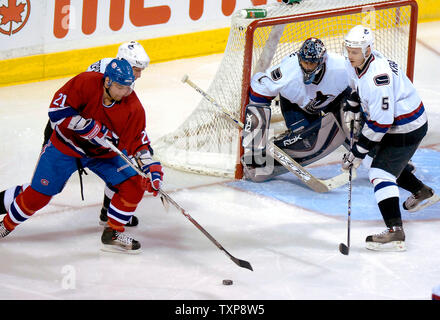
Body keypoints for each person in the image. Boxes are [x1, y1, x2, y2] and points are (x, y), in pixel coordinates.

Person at [0, 58, 163, 254]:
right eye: (120, 86)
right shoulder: (85, 82)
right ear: (108, 81)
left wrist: (150, 169)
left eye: (128, 87)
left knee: (134, 184)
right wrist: (88, 127)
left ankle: (112, 233)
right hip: (66, 146)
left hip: (102, 155)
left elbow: (139, 142)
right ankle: (6, 225)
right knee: (39, 195)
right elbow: (56, 111)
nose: (124, 92)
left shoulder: (133, 107)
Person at [342, 25, 438, 251]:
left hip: (406, 128)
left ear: (368, 50)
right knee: (377, 156)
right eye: (348, 50)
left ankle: (395, 232)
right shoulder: (364, 62)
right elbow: (359, 87)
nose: (350, 55)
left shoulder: (378, 78)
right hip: (400, 122)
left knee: (379, 171)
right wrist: (354, 101)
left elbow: (381, 123)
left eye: (355, 51)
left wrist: (356, 153)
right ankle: (421, 191)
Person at [241, 37, 354, 182]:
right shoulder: (288, 71)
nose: (307, 67)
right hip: (296, 105)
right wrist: (255, 140)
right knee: (308, 145)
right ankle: (271, 153)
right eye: (304, 62)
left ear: (322, 61)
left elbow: (361, 88)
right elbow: (259, 89)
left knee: (353, 124)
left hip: (334, 100)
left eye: (312, 63)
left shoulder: (341, 67)